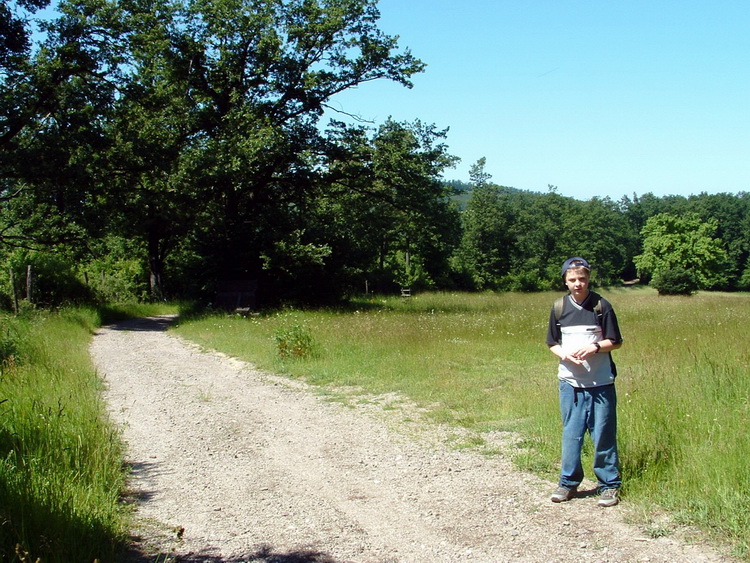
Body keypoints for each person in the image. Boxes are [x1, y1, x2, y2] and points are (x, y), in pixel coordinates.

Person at [546, 257, 624, 507]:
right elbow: (552, 343)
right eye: (572, 280)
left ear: (589, 279)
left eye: (582, 279)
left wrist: (594, 347)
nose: (578, 284)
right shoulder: (559, 307)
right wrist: (565, 355)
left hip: (601, 382)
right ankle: (567, 483)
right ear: (565, 281)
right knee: (572, 434)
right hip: (570, 383)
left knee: (603, 434)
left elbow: (616, 341)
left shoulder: (602, 306)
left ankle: (609, 485)